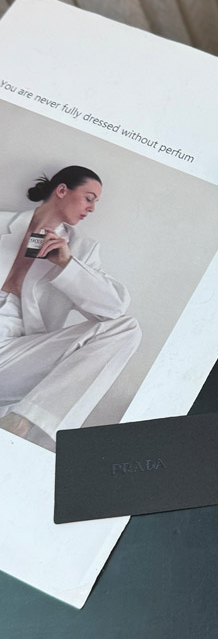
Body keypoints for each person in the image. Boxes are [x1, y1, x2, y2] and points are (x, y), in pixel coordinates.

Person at [0, 166, 141, 451]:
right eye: (89, 198)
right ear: (62, 190)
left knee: (127, 328)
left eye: (95, 202)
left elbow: (114, 309)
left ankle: (23, 421)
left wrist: (67, 264)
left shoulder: (82, 249)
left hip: (13, 356)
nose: (92, 208)